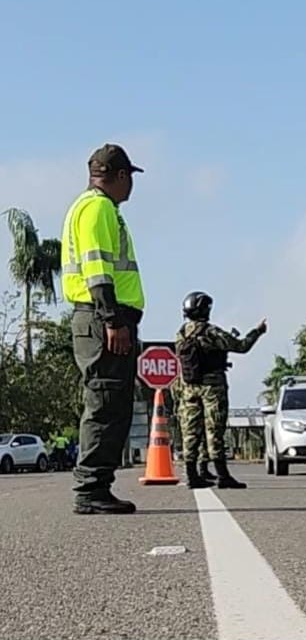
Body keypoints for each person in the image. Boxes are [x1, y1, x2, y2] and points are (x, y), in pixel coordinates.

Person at [61, 143, 145, 515]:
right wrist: (113, 320)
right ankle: (91, 487)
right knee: (106, 403)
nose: (132, 188)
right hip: (102, 318)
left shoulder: (93, 207)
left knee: (110, 403)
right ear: (121, 176)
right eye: (131, 179)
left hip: (99, 318)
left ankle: (96, 485)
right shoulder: (97, 209)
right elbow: (97, 269)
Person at [174, 291, 266, 489]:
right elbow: (241, 346)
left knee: (190, 432)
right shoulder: (211, 332)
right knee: (214, 430)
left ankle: (192, 475)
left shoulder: (180, 333)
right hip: (212, 387)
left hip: (189, 387)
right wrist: (257, 331)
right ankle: (223, 476)